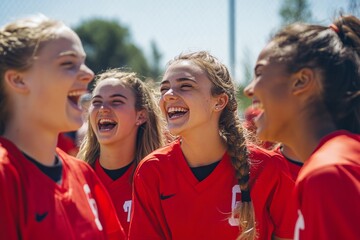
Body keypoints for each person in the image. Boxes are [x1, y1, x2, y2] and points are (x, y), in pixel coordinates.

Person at [128, 51, 299, 240]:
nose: (168, 95)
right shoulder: (152, 170)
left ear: (219, 102)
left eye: (185, 86)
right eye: (164, 89)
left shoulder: (268, 167)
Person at [0, 14, 126, 239]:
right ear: (18, 79)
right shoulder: (5, 175)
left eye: (83, 62)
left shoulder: (83, 174)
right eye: (68, 63)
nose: (89, 74)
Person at [244, 15, 360, 240]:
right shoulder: (339, 159)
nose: (249, 90)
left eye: (259, 73)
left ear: (301, 81)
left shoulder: (329, 173)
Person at [77, 68, 165, 234]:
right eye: (96, 102)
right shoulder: (76, 180)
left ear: (140, 116)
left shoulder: (160, 181)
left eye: (116, 101)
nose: (103, 108)